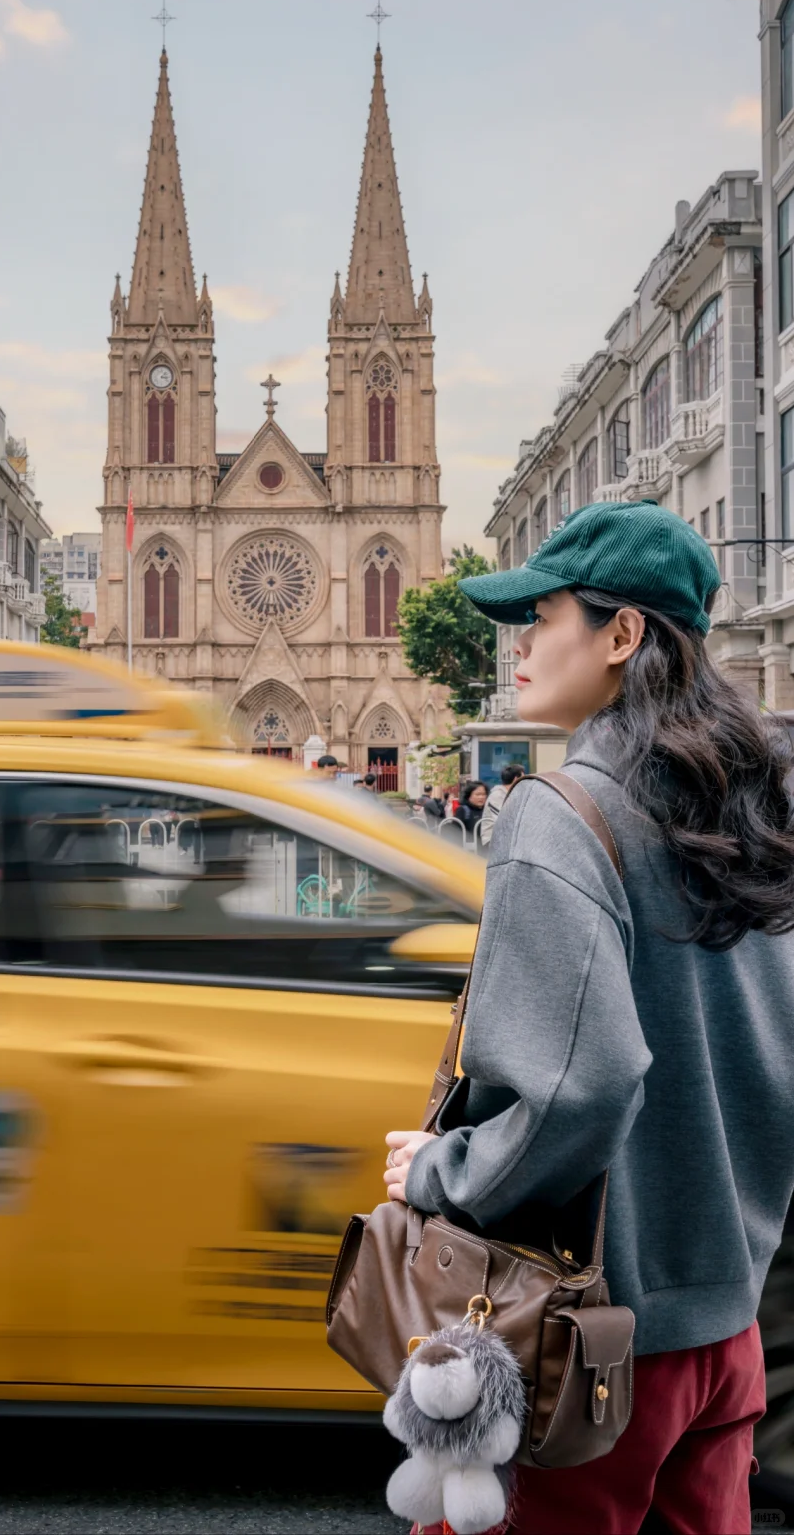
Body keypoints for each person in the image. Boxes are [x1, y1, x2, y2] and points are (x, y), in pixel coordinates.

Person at [383, 501, 794, 1535]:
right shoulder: (756, 810)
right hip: (728, 1337)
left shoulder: (558, 817)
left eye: (543, 615)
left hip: (589, 1352)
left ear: (621, 636)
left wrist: (443, 1171)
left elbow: (587, 1082)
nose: (518, 644)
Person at [477, 760, 526, 849]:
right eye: (523, 779)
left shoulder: (511, 795)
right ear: (516, 779)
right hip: (492, 841)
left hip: (506, 840)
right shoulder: (497, 796)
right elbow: (503, 819)